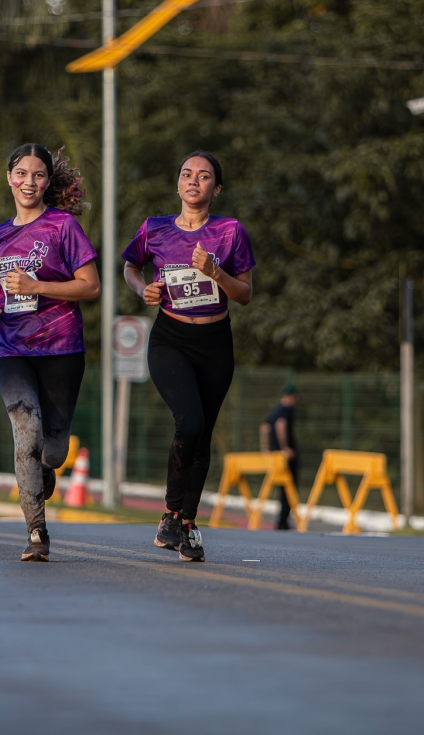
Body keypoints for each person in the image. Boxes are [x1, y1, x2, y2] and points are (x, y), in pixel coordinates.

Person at [123, 150, 255, 562]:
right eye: (186, 174)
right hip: (171, 339)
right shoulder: (155, 229)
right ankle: (170, 513)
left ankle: (187, 523)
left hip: (215, 342)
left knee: (203, 433)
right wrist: (142, 289)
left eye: (204, 176)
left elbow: (245, 294)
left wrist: (216, 273)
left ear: (217, 188)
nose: (194, 180)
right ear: (178, 184)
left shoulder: (230, 232)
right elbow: (130, 268)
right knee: (190, 421)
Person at [0, 143, 99, 562]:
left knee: (54, 451)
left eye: (38, 175)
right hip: (9, 349)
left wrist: (37, 287)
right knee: (25, 430)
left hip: (61, 348)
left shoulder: (62, 226)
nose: (29, 182)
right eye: (21, 173)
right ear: (9, 179)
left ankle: (44, 469)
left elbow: (91, 286)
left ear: (47, 182)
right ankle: (36, 532)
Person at [260, 383, 299, 530]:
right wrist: (285, 448)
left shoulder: (275, 409)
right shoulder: (286, 409)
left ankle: (282, 521)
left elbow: (264, 428)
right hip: (285, 457)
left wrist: (265, 449)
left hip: (274, 456)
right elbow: (280, 425)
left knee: (278, 488)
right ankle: (283, 521)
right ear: (292, 397)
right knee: (289, 488)